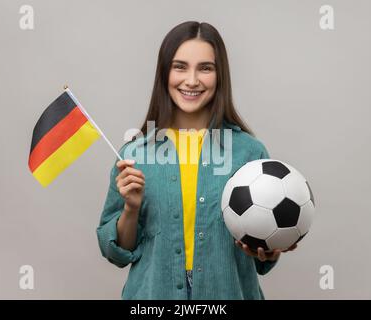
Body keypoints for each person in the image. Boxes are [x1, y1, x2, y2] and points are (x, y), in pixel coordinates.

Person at [96, 21, 296, 300]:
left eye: (205, 68)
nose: (191, 80)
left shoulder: (249, 153)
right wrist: (131, 207)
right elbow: (116, 253)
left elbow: (264, 260)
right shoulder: (134, 155)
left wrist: (268, 248)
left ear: (219, 75)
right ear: (164, 73)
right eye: (180, 67)